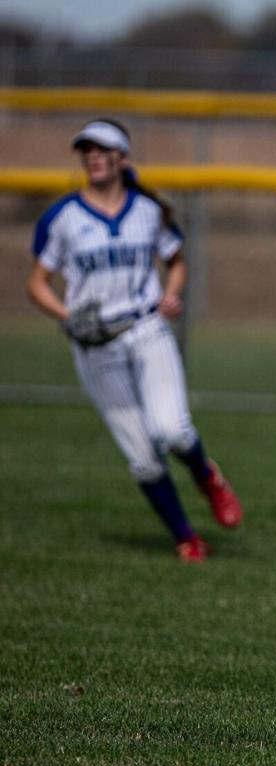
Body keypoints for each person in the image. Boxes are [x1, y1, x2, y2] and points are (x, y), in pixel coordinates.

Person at [26, 118, 243, 564]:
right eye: (86, 150)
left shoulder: (148, 211)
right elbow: (37, 283)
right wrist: (67, 316)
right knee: (144, 458)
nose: (93, 157)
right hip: (95, 344)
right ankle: (185, 537)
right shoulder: (63, 217)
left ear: (122, 157)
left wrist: (170, 294)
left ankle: (207, 477)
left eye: (102, 149)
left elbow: (176, 261)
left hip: (146, 329)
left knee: (173, 430)